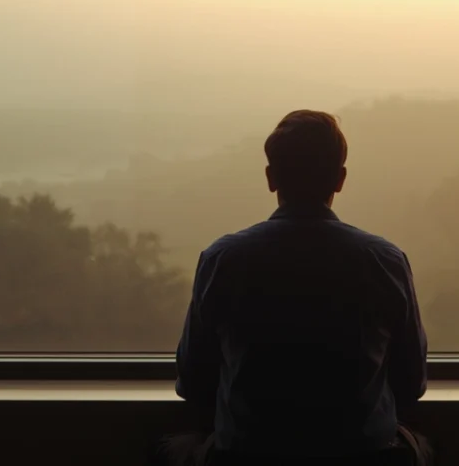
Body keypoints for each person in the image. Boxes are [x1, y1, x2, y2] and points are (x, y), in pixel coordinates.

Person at [162, 110, 431, 466]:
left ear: (271, 178)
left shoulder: (222, 260)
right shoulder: (384, 261)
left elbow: (194, 383)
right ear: (340, 179)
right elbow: (411, 383)